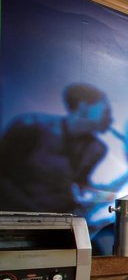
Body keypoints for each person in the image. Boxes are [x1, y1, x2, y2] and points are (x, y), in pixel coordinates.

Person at [0, 83, 112, 213]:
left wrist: (107, 194)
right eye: (106, 112)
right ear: (83, 108)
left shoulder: (97, 149)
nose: (111, 119)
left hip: (55, 218)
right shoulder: (30, 125)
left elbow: (79, 187)